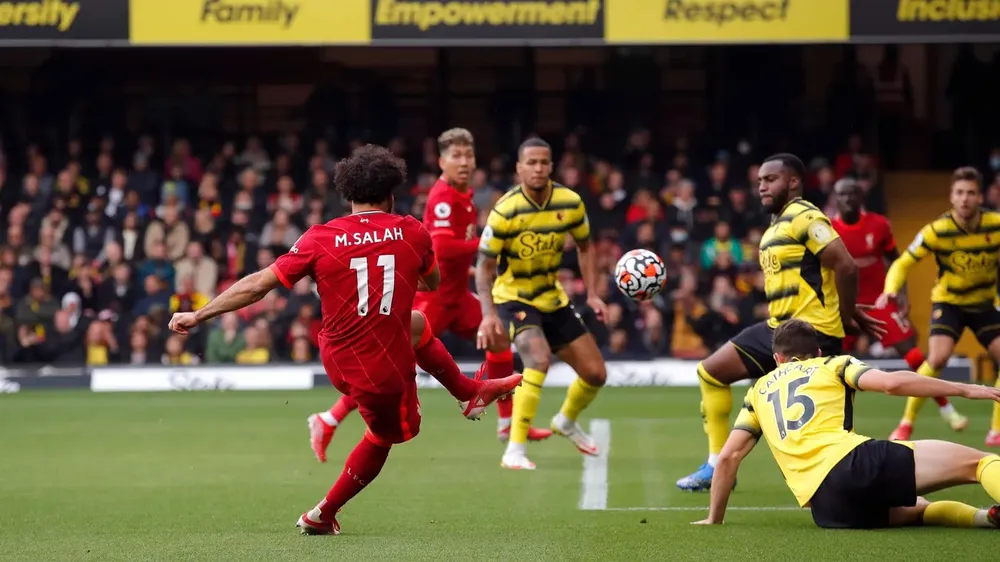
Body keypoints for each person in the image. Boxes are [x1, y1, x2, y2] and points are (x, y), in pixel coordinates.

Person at [168, 145, 522, 535]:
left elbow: (257, 286)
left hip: (337, 357)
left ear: (348, 194)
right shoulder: (412, 232)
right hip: (380, 369)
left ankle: (467, 392)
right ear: (391, 193)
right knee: (389, 435)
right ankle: (320, 514)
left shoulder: (320, 237)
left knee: (417, 322)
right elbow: (433, 282)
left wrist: (199, 314)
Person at [310, 129, 550, 454]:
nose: (464, 163)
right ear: (441, 161)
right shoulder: (442, 198)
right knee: (390, 361)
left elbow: (450, 257)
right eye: (456, 156)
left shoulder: (464, 195)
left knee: (498, 337)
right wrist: (487, 243)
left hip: (457, 295)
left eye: (468, 156)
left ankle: (506, 424)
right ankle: (330, 418)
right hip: (432, 298)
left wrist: (472, 267)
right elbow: (443, 247)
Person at [677, 153, 885, 491]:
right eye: (759, 180)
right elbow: (822, 275)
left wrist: (845, 319)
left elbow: (845, 266)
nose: (761, 186)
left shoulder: (806, 217)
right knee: (711, 372)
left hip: (811, 334)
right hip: (778, 329)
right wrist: (850, 310)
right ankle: (716, 465)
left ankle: (858, 482)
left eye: (770, 179)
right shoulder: (778, 224)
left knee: (827, 433)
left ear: (793, 181)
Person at [693, 319, 1000, 530]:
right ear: (816, 352)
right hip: (854, 462)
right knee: (979, 463)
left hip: (827, 508)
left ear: (777, 358)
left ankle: (985, 518)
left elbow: (729, 457)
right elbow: (891, 384)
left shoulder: (758, 391)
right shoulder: (833, 363)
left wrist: (713, 519)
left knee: (918, 509)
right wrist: (965, 389)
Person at [476, 137, 609, 471]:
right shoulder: (506, 209)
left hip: (552, 298)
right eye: (531, 163)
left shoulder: (570, 202)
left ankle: (565, 420)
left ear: (552, 166)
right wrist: (488, 315)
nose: (538, 168)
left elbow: (585, 245)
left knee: (596, 373)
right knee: (537, 359)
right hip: (514, 298)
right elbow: (484, 266)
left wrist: (592, 293)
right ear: (519, 168)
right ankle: (514, 450)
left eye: (543, 162)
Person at [830, 178, 968, 435]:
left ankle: (947, 409)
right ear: (834, 198)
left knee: (913, 354)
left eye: (853, 194)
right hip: (844, 304)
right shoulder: (826, 229)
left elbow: (897, 261)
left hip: (879, 301)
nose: (848, 199)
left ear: (862, 198)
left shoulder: (879, 225)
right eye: (842, 195)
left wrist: (900, 296)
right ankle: (832, 421)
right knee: (829, 361)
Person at [877, 166, 1000, 446]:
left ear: (980, 197)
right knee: (938, 359)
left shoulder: (995, 224)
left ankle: (996, 430)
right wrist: (890, 290)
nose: (965, 198)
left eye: (970, 193)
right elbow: (903, 262)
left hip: (984, 303)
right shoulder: (937, 230)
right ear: (951, 197)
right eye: (959, 193)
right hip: (950, 303)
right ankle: (906, 423)